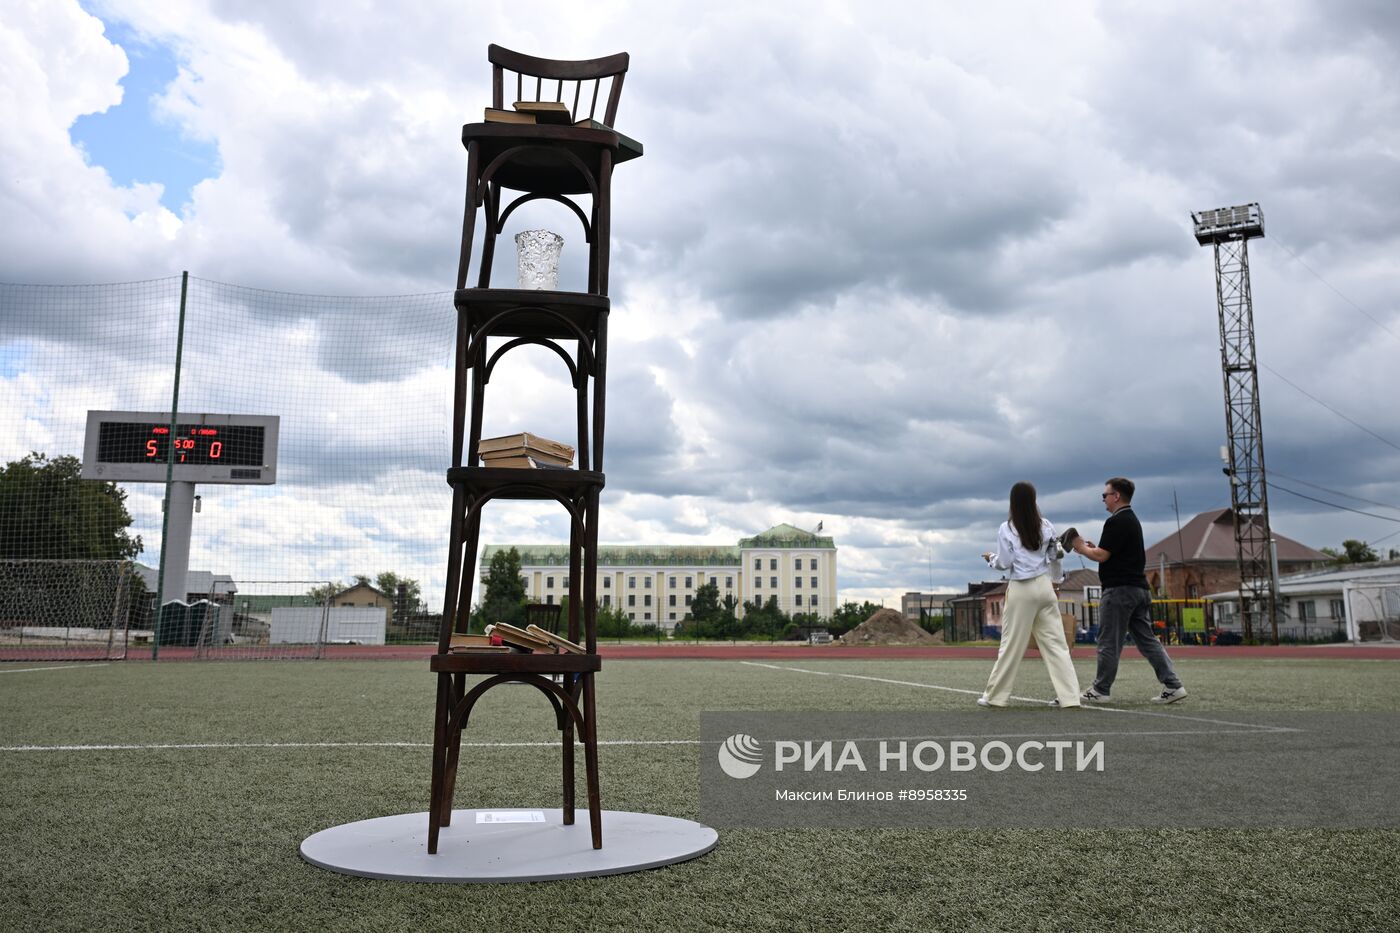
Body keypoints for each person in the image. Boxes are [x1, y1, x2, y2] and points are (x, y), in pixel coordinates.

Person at [1066, 477, 1188, 704]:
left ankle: (1101, 690)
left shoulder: (1116, 521)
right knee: (1147, 640)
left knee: (1108, 641)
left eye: (1105, 495)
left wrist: (1080, 547)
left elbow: (1102, 556)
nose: (1103, 499)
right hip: (1139, 589)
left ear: (1116, 496)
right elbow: (1112, 553)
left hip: (1119, 591)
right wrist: (1094, 549)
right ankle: (1173, 685)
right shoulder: (1132, 520)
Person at [977, 482, 1081, 708]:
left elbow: (1005, 562)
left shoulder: (1007, 528)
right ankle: (1070, 698)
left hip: (1021, 588)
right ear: (1034, 500)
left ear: (1012, 502)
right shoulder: (1046, 525)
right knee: (1056, 645)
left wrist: (991, 559)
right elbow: (1056, 557)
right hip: (1044, 586)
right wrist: (1056, 583)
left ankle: (995, 697)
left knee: (1011, 645)